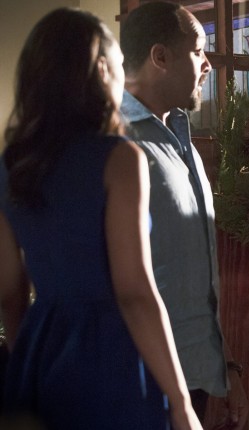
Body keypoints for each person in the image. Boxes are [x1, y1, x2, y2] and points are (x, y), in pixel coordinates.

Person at [0, 8, 201, 430]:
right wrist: (182, 404)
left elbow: (10, 292)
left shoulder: (10, 166)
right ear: (103, 71)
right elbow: (134, 292)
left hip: (39, 354)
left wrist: (29, 364)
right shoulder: (120, 159)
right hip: (111, 356)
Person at [120, 2, 246, 426]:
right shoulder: (114, 142)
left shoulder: (182, 142)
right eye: (197, 51)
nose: (208, 64)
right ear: (160, 56)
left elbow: (196, 277)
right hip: (137, 382)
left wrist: (226, 368)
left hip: (197, 379)